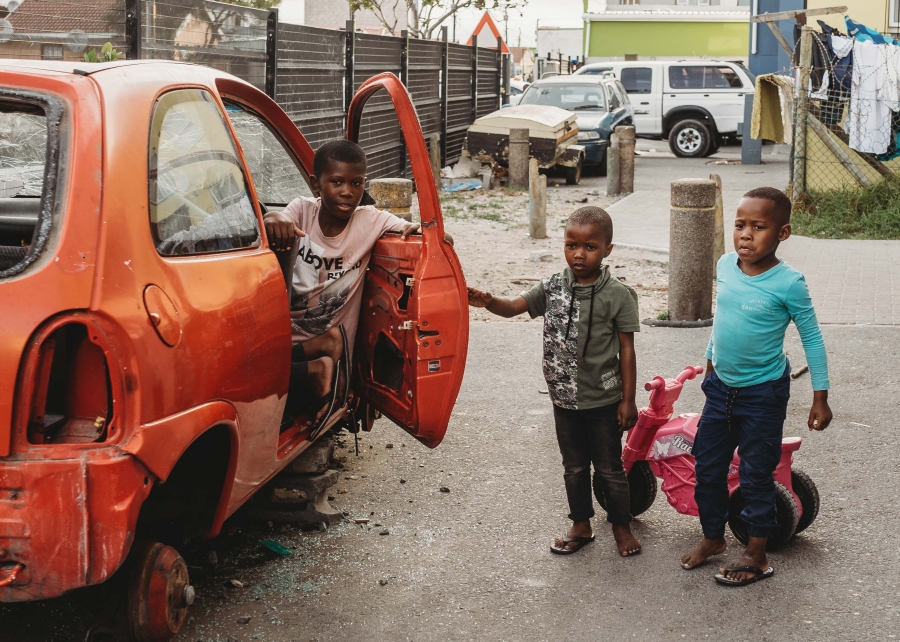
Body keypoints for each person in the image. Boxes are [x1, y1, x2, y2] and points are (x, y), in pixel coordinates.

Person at [468, 206, 643, 557]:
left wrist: (628, 399)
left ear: (607, 249)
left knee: (610, 468)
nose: (579, 254)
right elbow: (515, 306)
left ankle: (620, 525)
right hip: (564, 398)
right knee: (573, 466)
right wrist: (488, 302)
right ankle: (581, 523)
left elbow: (627, 349)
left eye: (590, 247)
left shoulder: (619, 295)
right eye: (571, 244)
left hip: (604, 399)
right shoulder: (552, 287)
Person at [680, 187, 833, 586]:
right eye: (740, 225)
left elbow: (812, 338)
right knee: (709, 468)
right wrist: (710, 364)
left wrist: (821, 396)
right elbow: (723, 319)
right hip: (721, 388)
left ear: (782, 233)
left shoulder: (789, 283)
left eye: (758, 227)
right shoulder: (726, 266)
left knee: (755, 475)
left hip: (762, 393)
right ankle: (713, 538)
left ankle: (757, 552)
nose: (746, 235)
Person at [263, 139, 420, 415]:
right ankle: (315, 363)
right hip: (286, 342)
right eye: (336, 183)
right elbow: (278, 220)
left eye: (356, 183)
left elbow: (413, 233)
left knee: (255, 377)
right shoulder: (302, 210)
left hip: (334, 351)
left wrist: (425, 233)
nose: (347, 192)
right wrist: (273, 218)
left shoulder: (371, 220)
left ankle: (320, 367)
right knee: (260, 366)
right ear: (316, 185)